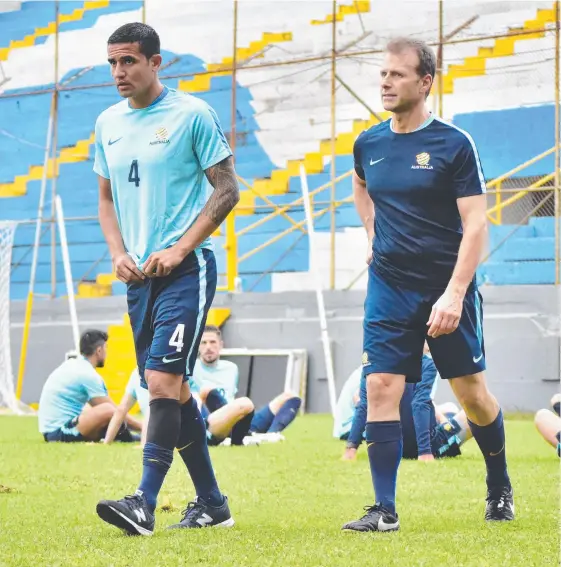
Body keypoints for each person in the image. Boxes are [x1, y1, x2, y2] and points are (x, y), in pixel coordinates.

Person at [343, 36, 513, 533]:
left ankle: (499, 486)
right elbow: (359, 182)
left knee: (472, 395)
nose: (385, 82)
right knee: (380, 385)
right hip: (389, 285)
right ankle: (384, 509)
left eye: (396, 74)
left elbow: (477, 223)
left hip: (445, 286)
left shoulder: (454, 144)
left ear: (425, 82)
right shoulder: (368, 143)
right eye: (382, 74)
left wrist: (455, 293)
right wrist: (372, 230)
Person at [94, 22, 240, 536]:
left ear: (156, 63)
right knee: (172, 393)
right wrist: (117, 253)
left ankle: (143, 504)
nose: (119, 72)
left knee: (161, 382)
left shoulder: (192, 114)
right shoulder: (107, 122)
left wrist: (180, 248)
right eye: (112, 62)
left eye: (129, 61)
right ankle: (212, 502)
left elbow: (227, 190)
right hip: (138, 279)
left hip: (188, 270)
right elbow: (107, 198)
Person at [338, 348, 471, 462]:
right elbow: (420, 403)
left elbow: (363, 404)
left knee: (450, 408)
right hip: (420, 445)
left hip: (388, 448)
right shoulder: (426, 363)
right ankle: (491, 451)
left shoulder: (376, 362)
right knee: (472, 411)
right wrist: (425, 452)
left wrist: (351, 448)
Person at [192, 325, 302, 440]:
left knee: (290, 396)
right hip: (212, 423)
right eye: (203, 343)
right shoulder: (190, 368)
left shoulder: (231, 368)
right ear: (198, 346)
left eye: (212, 342)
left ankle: (270, 435)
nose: (208, 347)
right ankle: (235, 433)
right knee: (206, 391)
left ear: (221, 345)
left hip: (239, 419)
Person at [38, 330, 140, 443]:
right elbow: (113, 412)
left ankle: (125, 437)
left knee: (96, 411)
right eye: (106, 348)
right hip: (58, 432)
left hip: (52, 431)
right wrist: (143, 427)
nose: (107, 352)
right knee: (108, 409)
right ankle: (136, 436)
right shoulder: (88, 374)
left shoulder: (74, 365)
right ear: (99, 350)